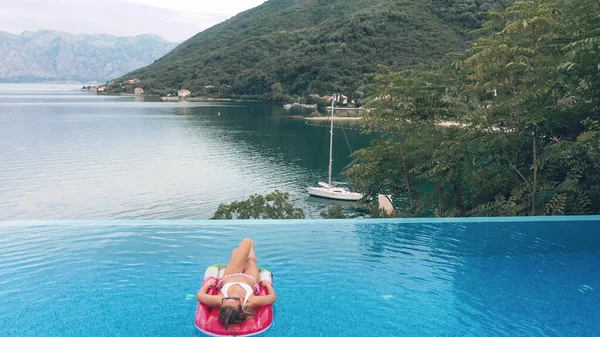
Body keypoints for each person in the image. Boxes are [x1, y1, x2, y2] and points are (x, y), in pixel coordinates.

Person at [196, 238, 276, 329]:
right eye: (235, 299)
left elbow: (199, 296)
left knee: (244, 244)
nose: (232, 295)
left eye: (227, 299)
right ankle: (245, 253)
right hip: (250, 278)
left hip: (231, 274)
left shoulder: (219, 300)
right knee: (251, 258)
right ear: (242, 308)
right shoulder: (250, 301)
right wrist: (268, 285)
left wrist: (208, 284)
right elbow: (272, 298)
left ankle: (238, 255)